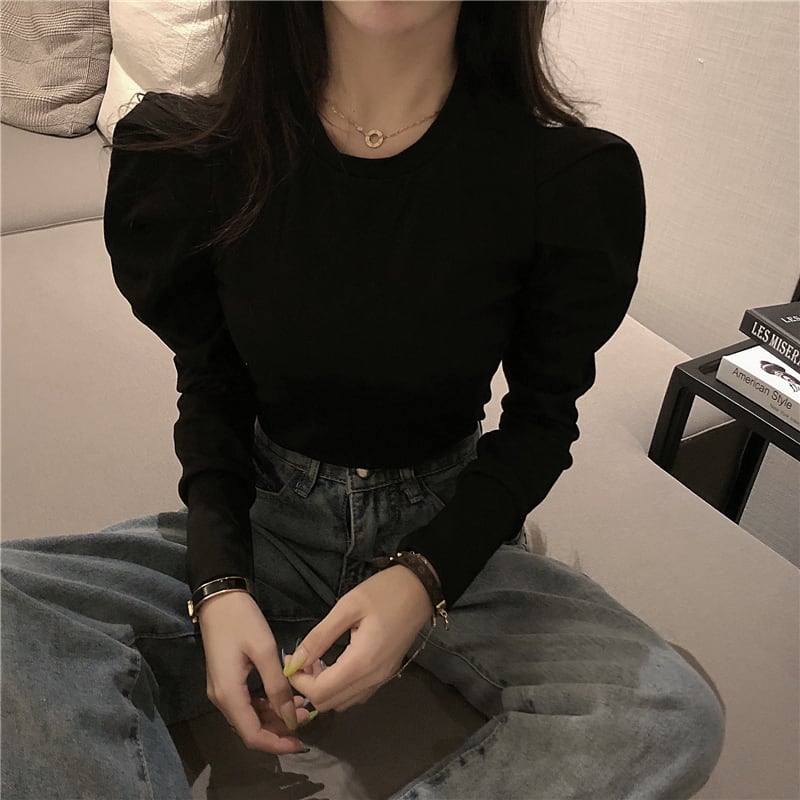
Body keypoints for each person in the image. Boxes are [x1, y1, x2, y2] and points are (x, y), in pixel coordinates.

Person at [1, 2, 725, 798]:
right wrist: (218, 583)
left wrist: (424, 579)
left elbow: (542, 422)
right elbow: (213, 383)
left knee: (668, 712)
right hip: (269, 521)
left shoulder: (561, 179)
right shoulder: (206, 157)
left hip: (449, 534)